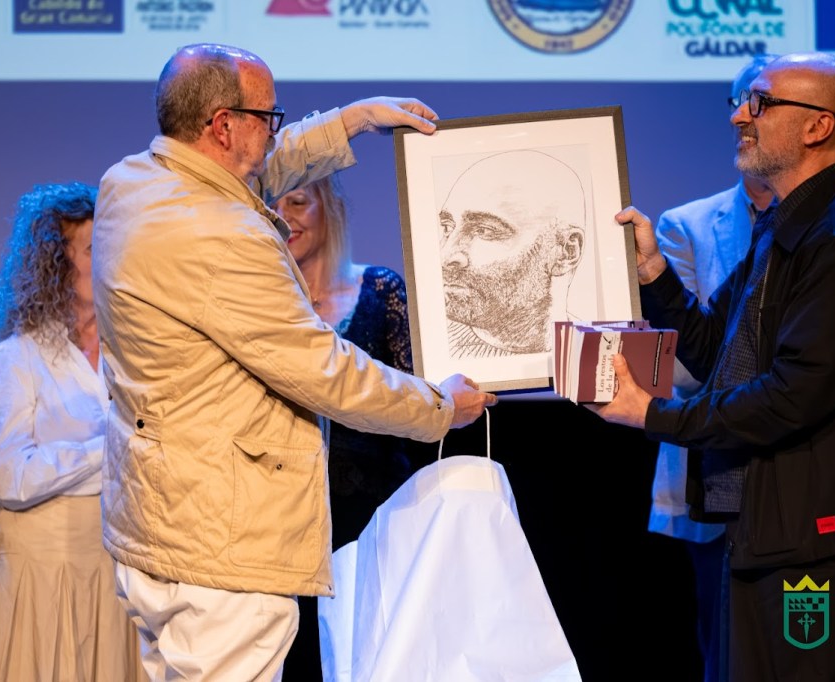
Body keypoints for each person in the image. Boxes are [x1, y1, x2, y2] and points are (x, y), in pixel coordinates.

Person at [91, 43, 496, 681]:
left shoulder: (132, 183)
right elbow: (324, 371)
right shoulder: (226, 236)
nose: (274, 132)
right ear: (223, 125)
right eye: (267, 118)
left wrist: (353, 120)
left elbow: (244, 174)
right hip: (222, 547)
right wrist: (439, 407)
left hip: (158, 526)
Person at [594, 52, 835, 681]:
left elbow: (792, 396)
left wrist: (657, 416)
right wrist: (653, 273)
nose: (739, 116)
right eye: (744, 102)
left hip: (820, 540)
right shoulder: (788, 224)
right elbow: (717, 349)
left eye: (761, 103)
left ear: (818, 127)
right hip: (773, 527)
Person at [0, 182, 146, 681]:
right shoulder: (19, 357)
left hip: (116, 564)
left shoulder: (133, 355)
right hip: (44, 571)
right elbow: (12, 478)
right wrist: (111, 448)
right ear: (56, 262)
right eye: (95, 249)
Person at [272, 174, 428, 679]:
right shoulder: (264, 308)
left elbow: (413, 397)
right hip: (284, 521)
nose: (284, 217)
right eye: (273, 205)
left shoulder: (380, 290)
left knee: (366, 653)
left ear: (330, 209)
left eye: (298, 201)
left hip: (371, 516)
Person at [439, 149, 586, 358]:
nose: (446, 255)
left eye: (484, 231)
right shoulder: (423, 355)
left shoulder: (604, 355)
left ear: (566, 252)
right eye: (447, 227)